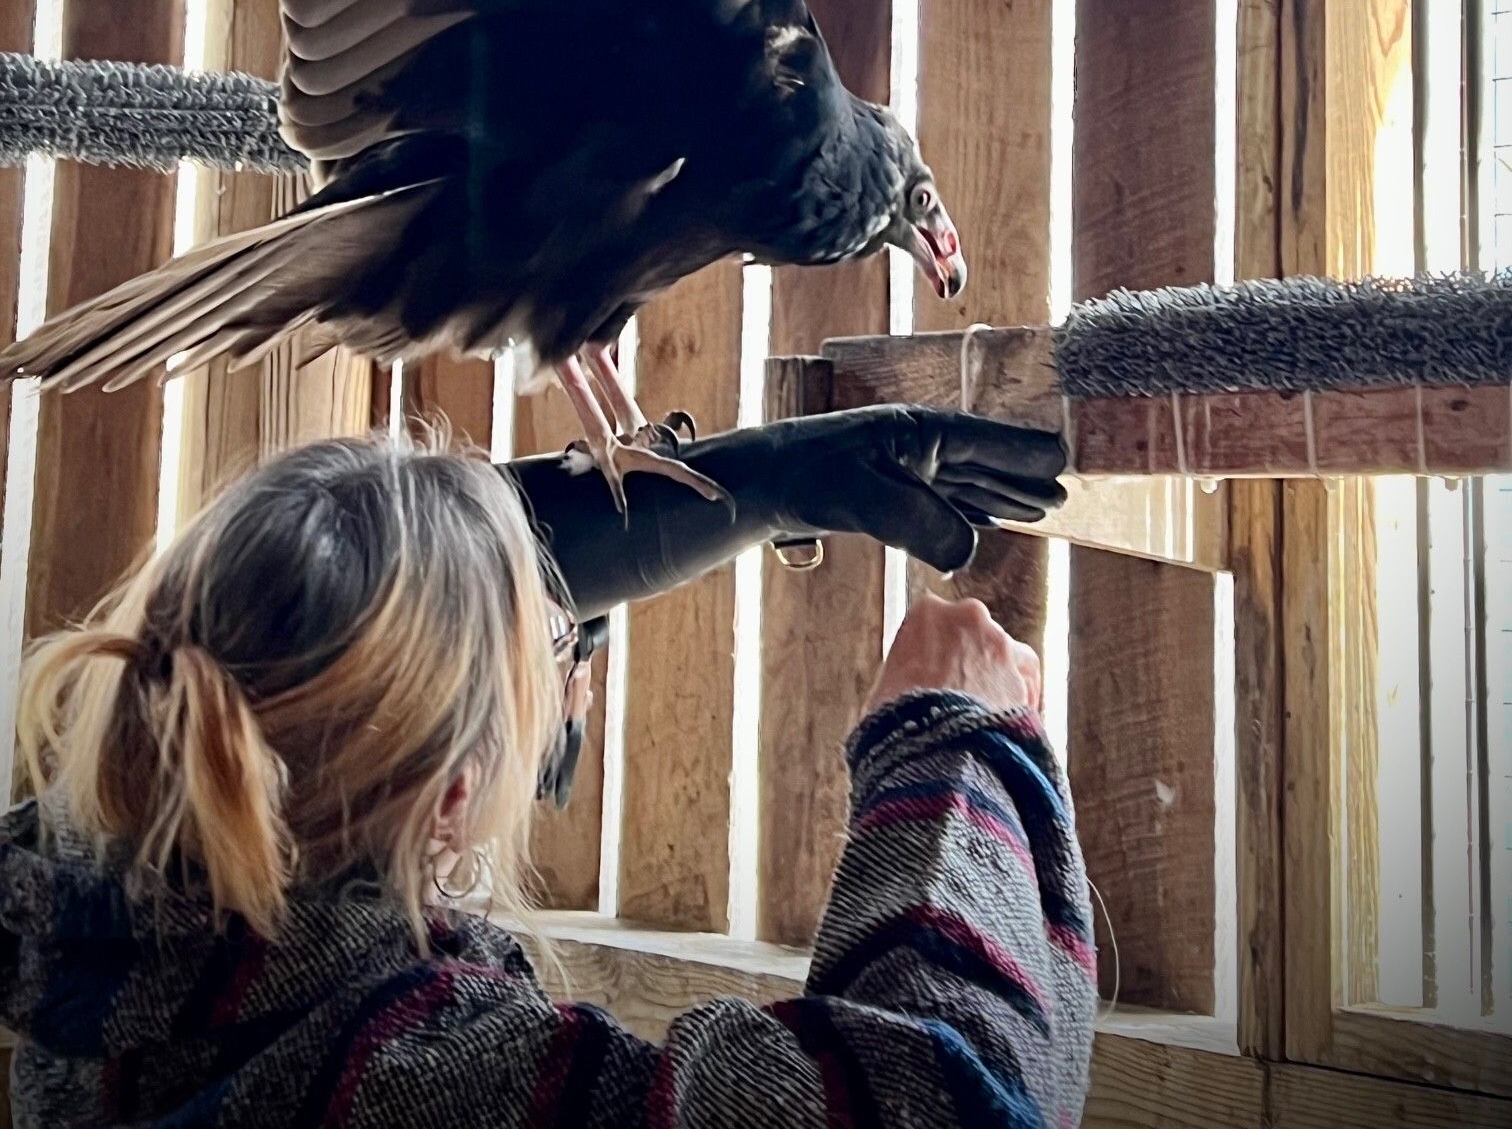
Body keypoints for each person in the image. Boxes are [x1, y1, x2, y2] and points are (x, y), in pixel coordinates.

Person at [0, 432, 1095, 1127]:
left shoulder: (71, 936)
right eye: (549, 667)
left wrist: (751, 483)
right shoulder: (420, 1082)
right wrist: (948, 743)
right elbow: (953, 1098)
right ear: (454, 804)